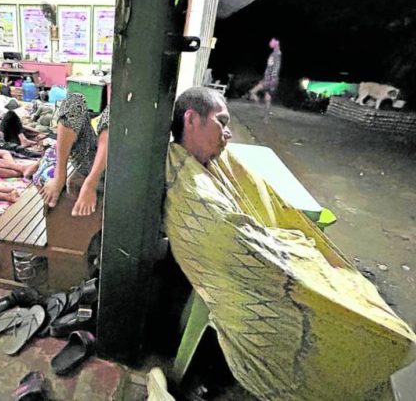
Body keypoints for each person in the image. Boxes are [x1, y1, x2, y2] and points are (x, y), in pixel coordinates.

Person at [163, 87, 415, 399]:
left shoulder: (208, 163)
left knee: (348, 296)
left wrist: (288, 240)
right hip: (261, 275)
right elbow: (239, 244)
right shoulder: (193, 191)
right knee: (358, 323)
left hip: (270, 252)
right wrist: (295, 246)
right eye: (222, 122)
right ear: (191, 120)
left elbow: (256, 210)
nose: (228, 133)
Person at [40, 93, 109, 217]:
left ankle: (91, 183)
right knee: (74, 100)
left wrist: (90, 185)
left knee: (116, 111)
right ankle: (59, 175)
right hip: (92, 159)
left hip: (120, 168)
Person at [248, 37, 282, 122]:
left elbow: (276, 69)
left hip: (271, 81)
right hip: (266, 80)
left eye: (272, 42)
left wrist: (272, 83)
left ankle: (266, 118)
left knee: (267, 100)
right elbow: (269, 68)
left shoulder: (277, 55)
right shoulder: (273, 54)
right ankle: (260, 104)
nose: (270, 43)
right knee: (252, 92)